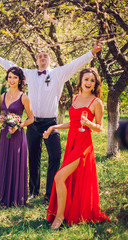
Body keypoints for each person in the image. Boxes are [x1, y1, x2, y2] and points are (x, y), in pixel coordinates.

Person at [0, 42, 103, 202]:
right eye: (39, 56)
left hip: (51, 122)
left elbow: (76, 64)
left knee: (55, 156)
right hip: (33, 123)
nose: (42, 57)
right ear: (36, 61)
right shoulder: (29, 74)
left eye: (45, 55)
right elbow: (11, 67)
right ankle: (33, 190)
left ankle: (50, 192)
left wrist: (92, 52)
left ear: (50, 60)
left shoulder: (58, 73)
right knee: (33, 157)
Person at [43, 68, 110, 229]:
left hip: (83, 145)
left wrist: (89, 124)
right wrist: (54, 127)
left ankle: (59, 217)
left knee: (59, 177)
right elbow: (72, 123)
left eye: (92, 81)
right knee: (66, 179)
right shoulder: (75, 98)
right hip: (71, 143)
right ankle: (67, 211)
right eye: (86, 79)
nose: (89, 83)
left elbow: (100, 128)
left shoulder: (96, 102)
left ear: (95, 84)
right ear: (80, 81)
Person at [0, 67, 34, 207]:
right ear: (7, 78)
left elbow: (31, 118)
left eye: (15, 77)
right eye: (10, 77)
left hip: (18, 135)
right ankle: (1, 196)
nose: (12, 80)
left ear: (20, 80)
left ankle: (14, 198)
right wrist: (1, 118)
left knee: (15, 163)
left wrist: (19, 126)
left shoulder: (24, 97)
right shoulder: (2, 96)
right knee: (3, 162)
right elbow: (0, 114)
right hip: (4, 134)